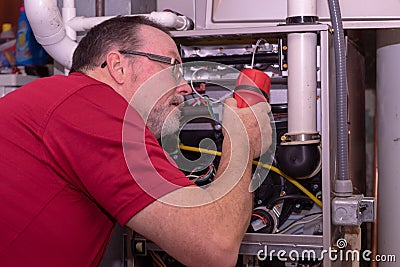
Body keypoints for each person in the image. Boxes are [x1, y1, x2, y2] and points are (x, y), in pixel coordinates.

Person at [0, 16, 272, 267]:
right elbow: (215, 247)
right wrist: (242, 140)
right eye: (173, 67)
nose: (186, 88)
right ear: (118, 66)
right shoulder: (90, 107)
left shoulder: (64, 101)